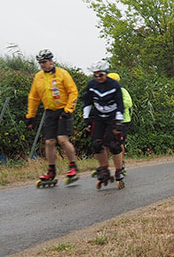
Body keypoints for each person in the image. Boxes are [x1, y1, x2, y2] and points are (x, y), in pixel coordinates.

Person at [25, 49, 80, 187]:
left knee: (62, 140)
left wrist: (68, 110)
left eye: (44, 62)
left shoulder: (62, 74)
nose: (42, 65)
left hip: (63, 110)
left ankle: (73, 166)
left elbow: (73, 92)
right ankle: (51, 170)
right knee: (49, 142)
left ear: (51, 61)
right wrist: (30, 115)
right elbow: (33, 97)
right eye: (40, 63)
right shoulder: (39, 77)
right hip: (49, 111)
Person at [82, 61, 126, 189]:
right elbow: (87, 103)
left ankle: (119, 172)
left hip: (113, 117)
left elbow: (120, 105)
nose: (98, 78)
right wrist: (87, 119)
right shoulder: (91, 85)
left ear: (106, 73)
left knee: (114, 145)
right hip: (99, 117)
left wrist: (118, 122)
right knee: (96, 144)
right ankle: (104, 169)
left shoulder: (114, 85)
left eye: (100, 75)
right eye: (95, 75)